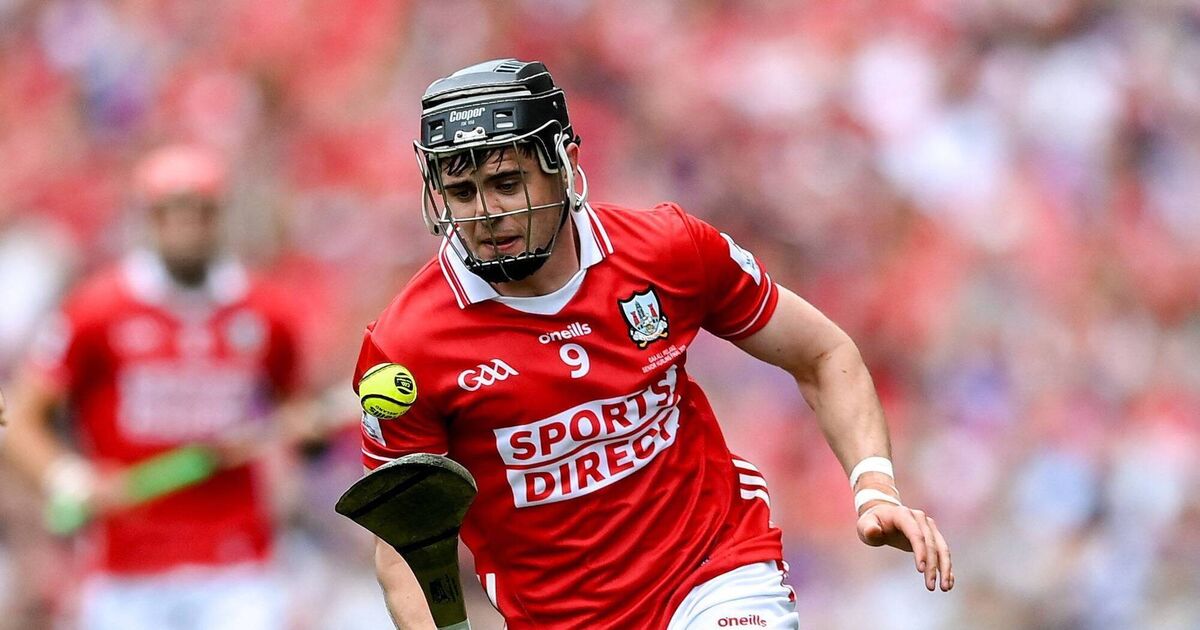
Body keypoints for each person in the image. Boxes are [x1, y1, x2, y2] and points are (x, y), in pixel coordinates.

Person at [355, 59, 953, 629]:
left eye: (507, 183)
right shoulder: (407, 347)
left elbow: (823, 355)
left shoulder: (666, 249)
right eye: (462, 193)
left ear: (564, 163)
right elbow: (403, 546)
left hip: (716, 572)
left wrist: (874, 487)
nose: (485, 212)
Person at [3, 144, 315, 630]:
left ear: (219, 217)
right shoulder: (96, 310)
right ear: (149, 218)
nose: (186, 226)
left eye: (200, 212)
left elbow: (297, 411)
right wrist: (69, 477)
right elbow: (20, 418)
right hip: (125, 567)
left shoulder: (265, 312)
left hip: (236, 565)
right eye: (171, 212)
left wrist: (294, 434)